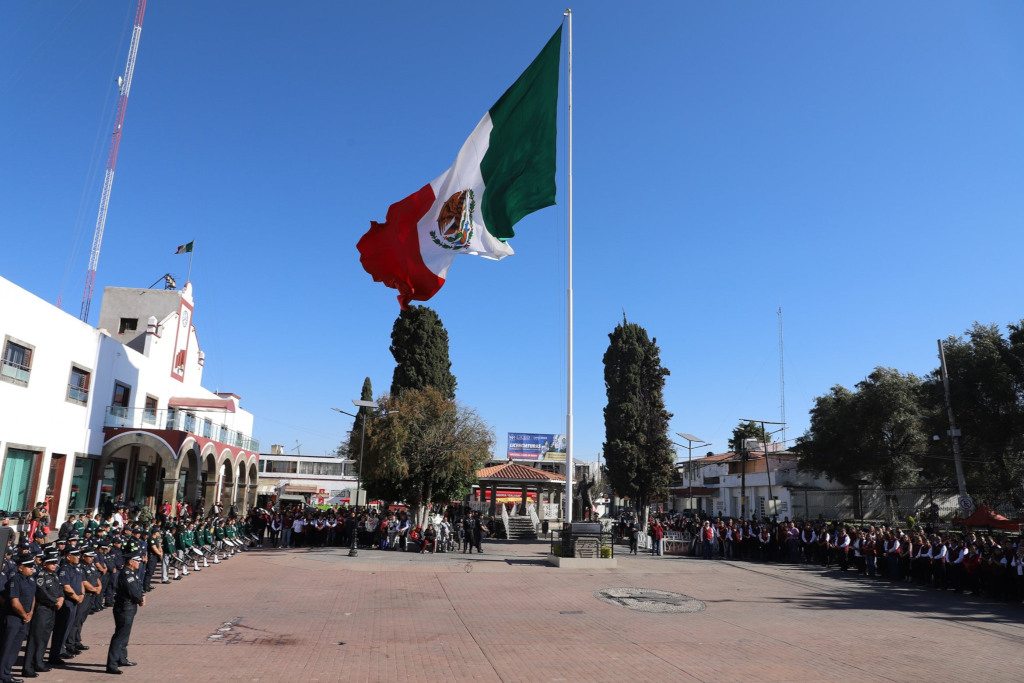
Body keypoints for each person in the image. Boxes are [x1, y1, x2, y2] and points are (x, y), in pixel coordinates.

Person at [22, 552, 62, 678]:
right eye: (51, 563)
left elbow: (60, 590)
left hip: (51, 610)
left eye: (55, 563)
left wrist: (61, 599)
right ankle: (27, 667)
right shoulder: (41, 575)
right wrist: (55, 601)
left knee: (44, 638)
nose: (54, 565)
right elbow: (42, 592)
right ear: (44, 564)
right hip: (42, 610)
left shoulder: (55, 575)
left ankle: (39, 662)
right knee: (35, 638)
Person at [106, 551, 145, 675]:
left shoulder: (133, 572)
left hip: (130, 607)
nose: (139, 562)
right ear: (130, 562)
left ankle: (121, 658)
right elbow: (132, 590)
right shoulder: (126, 574)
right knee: (119, 636)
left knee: (125, 635)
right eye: (137, 560)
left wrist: (141, 596)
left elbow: (138, 586)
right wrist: (140, 599)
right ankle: (111, 664)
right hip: (124, 607)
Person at [1, 552, 36, 682]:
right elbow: (14, 602)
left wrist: (30, 613)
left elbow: (33, 597)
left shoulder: (31, 579)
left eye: (32, 565)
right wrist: (24, 615)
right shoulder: (14, 580)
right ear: (20, 568)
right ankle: (1, 675)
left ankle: (6, 673)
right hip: (14, 618)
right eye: (28, 566)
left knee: (15, 648)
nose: (32, 567)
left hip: (24, 618)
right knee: (7, 647)